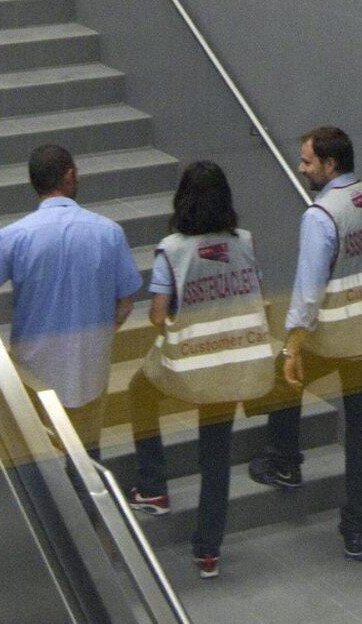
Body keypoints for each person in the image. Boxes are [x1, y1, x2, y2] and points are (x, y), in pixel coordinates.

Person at [251, 124, 362, 560]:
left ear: (330, 165)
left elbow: (309, 288)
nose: (301, 168)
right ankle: (357, 529)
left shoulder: (321, 216)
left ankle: (283, 462)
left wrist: (292, 343)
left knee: (282, 381)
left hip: (335, 334)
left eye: (307, 162)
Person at [122, 160, 276, 580]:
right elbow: (255, 295)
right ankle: (208, 551)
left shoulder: (172, 249)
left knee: (139, 392)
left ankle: (153, 486)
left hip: (188, 363)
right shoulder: (245, 241)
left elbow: (157, 316)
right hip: (231, 363)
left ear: (183, 199)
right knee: (216, 454)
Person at [0, 144, 145, 444]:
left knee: (40, 458)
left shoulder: (15, 236)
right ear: (70, 176)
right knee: (88, 454)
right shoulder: (109, 232)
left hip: (34, 372)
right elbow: (126, 303)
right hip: (91, 367)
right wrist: (104, 333)